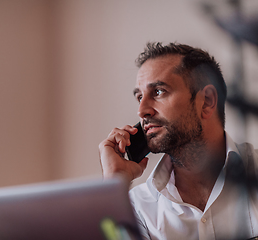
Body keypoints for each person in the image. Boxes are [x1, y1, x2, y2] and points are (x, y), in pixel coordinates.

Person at [99, 42, 258, 240]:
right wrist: (115, 181)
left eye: (158, 91)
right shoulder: (137, 207)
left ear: (207, 101)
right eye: (139, 97)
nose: (141, 111)